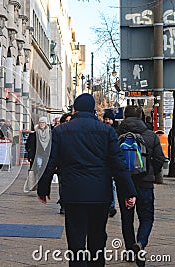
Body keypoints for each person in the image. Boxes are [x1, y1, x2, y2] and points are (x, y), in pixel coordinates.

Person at [37, 93, 137, 267]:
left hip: (73, 193)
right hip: (100, 194)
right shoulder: (106, 131)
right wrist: (129, 192)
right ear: (93, 110)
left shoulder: (61, 131)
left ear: (75, 109)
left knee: (76, 241)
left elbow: (50, 161)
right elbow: (118, 164)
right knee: (97, 238)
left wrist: (43, 188)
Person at [116, 105, 165, 266]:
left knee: (126, 219)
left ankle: (130, 251)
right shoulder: (150, 136)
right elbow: (159, 159)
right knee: (146, 217)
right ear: (141, 116)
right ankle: (141, 243)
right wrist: (150, 173)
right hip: (145, 183)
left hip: (125, 183)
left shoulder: (118, 135)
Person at [24, 117, 51, 192]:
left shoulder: (50, 133)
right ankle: (39, 183)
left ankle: (42, 183)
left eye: (43, 122)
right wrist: (30, 154)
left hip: (46, 154)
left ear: (46, 123)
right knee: (39, 168)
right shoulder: (34, 134)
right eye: (40, 122)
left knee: (44, 169)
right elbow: (28, 145)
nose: (41, 124)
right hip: (37, 154)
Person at [103, 110, 118, 218]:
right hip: (104, 162)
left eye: (109, 119)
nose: (107, 121)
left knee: (112, 185)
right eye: (106, 119)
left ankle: (111, 206)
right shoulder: (102, 130)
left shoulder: (116, 131)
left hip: (112, 163)